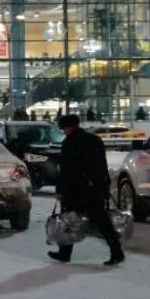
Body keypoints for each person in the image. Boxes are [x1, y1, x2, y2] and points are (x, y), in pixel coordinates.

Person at [50, 114, 125, 266]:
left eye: (65, 128)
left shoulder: (71, 143)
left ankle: (66, 252)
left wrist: (61, 189)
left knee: (72, 220)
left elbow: (65, 170)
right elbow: (101, 165)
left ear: (72, 127)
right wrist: (102, 184)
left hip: (78, 188)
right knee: (95, 220)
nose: (64, 131)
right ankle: (115, 251)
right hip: (90, 187)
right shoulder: (92, 140)